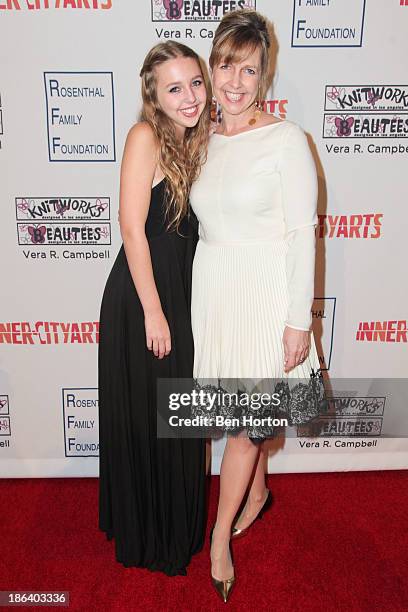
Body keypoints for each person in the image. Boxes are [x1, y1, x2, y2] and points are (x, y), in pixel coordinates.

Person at [189, 9, 324, 601]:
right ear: (210, 68)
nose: (235, 82)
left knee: (245, 423)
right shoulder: (204, 137)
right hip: (215, 288)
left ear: (265, 75)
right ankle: (260, 491)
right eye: (225, 65)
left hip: (266, 292)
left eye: (248, 69)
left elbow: (302, 231)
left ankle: (219, 541)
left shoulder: (286, 139)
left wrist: (300, 320)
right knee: (238, 407)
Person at [98, 41, 211, 576]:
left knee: (178, 415)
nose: (189, 96)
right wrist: (155, 312)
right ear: (154, 96)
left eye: (195, 82)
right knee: (155, 414)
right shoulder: (145, 137)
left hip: (183, 294)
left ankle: (175, 523)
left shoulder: (196, 140)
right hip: (145, 298)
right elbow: (131, 228)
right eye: (174, 87)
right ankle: (151, 531)